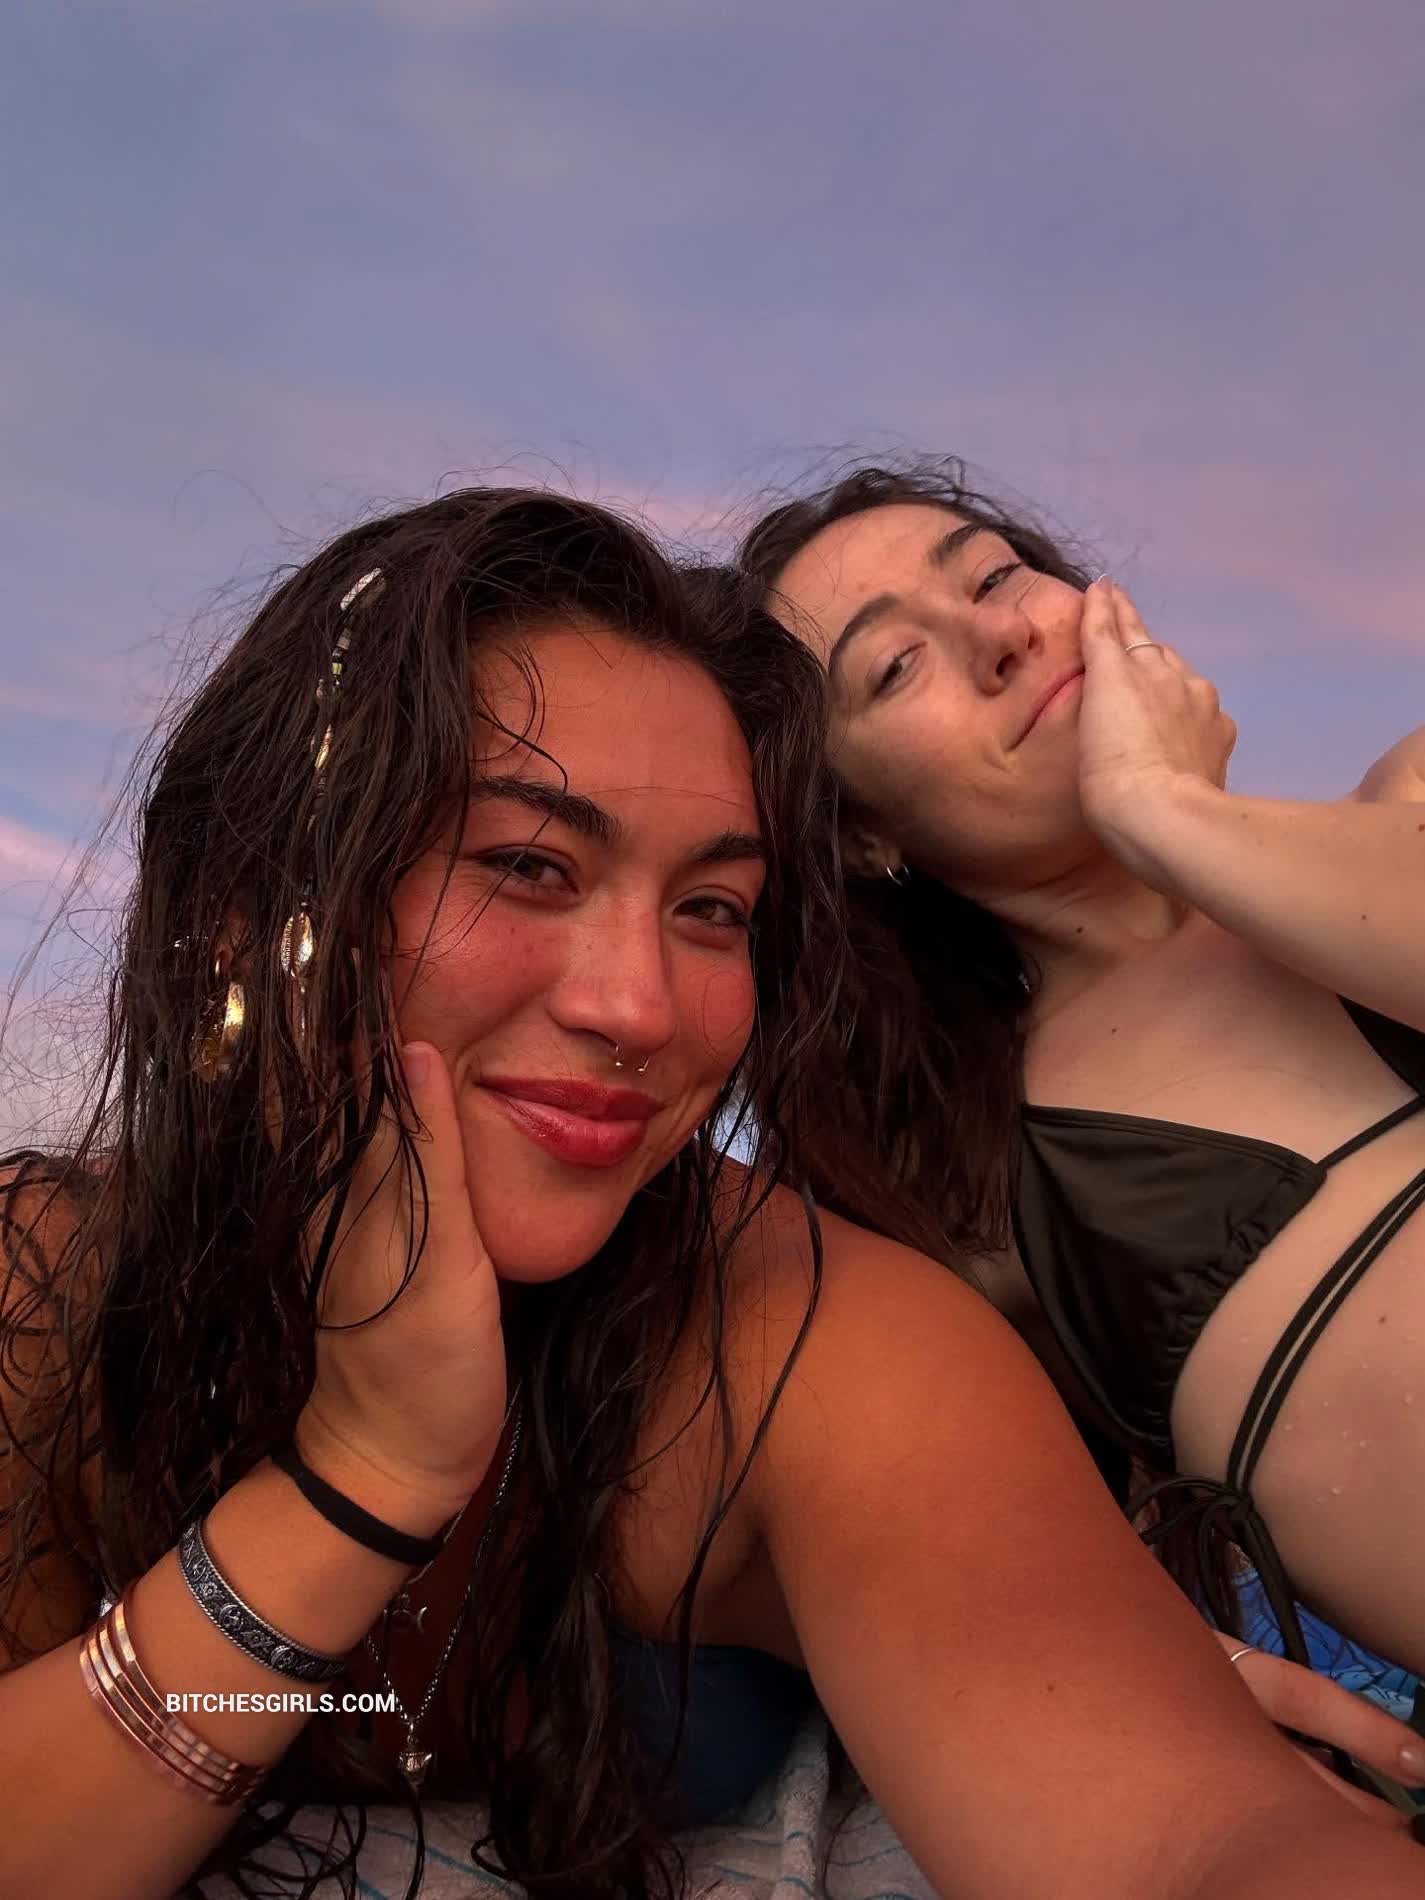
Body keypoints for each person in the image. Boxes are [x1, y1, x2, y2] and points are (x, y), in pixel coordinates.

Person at [1, 489, 1421, 1900]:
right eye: (527, 865)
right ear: (254, 912)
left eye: (711, 910)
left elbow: (1182, 1838)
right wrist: (359, 1479)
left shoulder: (799, 1327)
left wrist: (1103, 1655)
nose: (641, 1008)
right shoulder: (47, 1283)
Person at [738, 458, 1425, 1699]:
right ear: (862, 833)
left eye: (996, 576)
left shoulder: (1407, 797)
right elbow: (897, 1544)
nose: (999, 635)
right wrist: (1161, 1663)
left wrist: (1166, 814)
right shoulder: (979, 1190)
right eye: (897, 665)